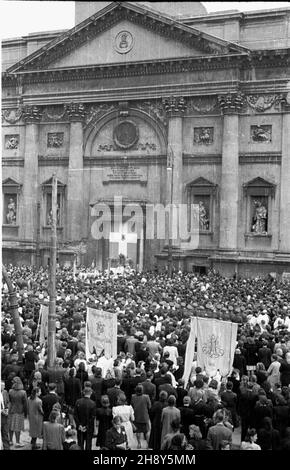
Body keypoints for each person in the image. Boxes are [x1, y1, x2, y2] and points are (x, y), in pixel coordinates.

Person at [74, 386, 96, 450]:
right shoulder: (93, 403)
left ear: (83, 392)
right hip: (89, 427)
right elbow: (92, 417)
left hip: (80, 427)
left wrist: (79, 425)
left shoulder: (78, 402)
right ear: (91, 393)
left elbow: (75, 415)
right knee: (88, 443)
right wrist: (86, 426)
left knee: (80, 443)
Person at [8, 376, 28, 448]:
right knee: (18, 427)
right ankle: (17, 442)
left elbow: (9, 401)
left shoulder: (10, 391)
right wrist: (26, 413)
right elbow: (25, 404)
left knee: (11, 426)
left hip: (11, 410)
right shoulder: (23, 392)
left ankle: (10, 441)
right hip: (20, 411)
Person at [131, 384, 151, 449]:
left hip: (137, 416)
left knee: (138, 431)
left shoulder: (133, 396)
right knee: (147, 431)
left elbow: (132, 406)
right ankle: (148, 445)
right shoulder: (146, 397)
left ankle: (139, 444)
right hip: (145, 416)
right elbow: (149, 406)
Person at [1, 381, 10, 450]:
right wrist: (1, 411)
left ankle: (6, 448)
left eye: (4, 385)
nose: (3, 387)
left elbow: (8, 402)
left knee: (5, 432)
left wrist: (7, 409)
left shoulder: (5, 392)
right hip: (1, 414)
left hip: (5, 416)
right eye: (2, 385)